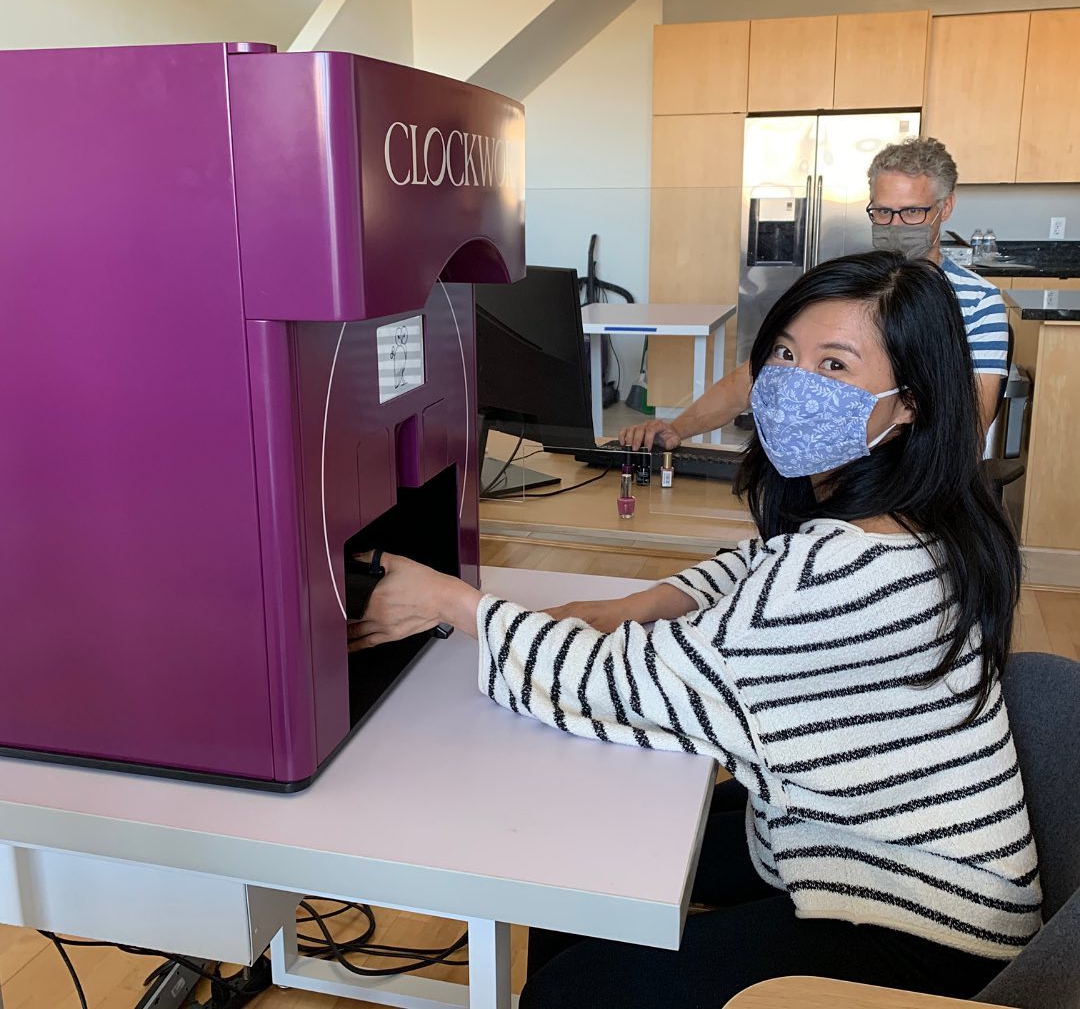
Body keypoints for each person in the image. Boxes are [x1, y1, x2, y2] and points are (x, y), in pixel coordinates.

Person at [350, 251, 1038, 1008]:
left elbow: (631, 686)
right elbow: (760, 567)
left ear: (910, 402)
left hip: (920, 917)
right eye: (784, 353)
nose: (792, 383)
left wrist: (452, 605)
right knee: (581, 876)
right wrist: (638, 604)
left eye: (834, 365)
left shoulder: (843, 566)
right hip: (864, 841)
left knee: (568, 989)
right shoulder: (919, 513)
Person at [620, 136, 1009, 451]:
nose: (895, 225)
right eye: (883, 212)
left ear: (946, 207)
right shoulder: (843, 289)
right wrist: (678, 428)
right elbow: (758, 377)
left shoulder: (978, 303)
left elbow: (969, 427)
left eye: (912, 213)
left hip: (910, 483)